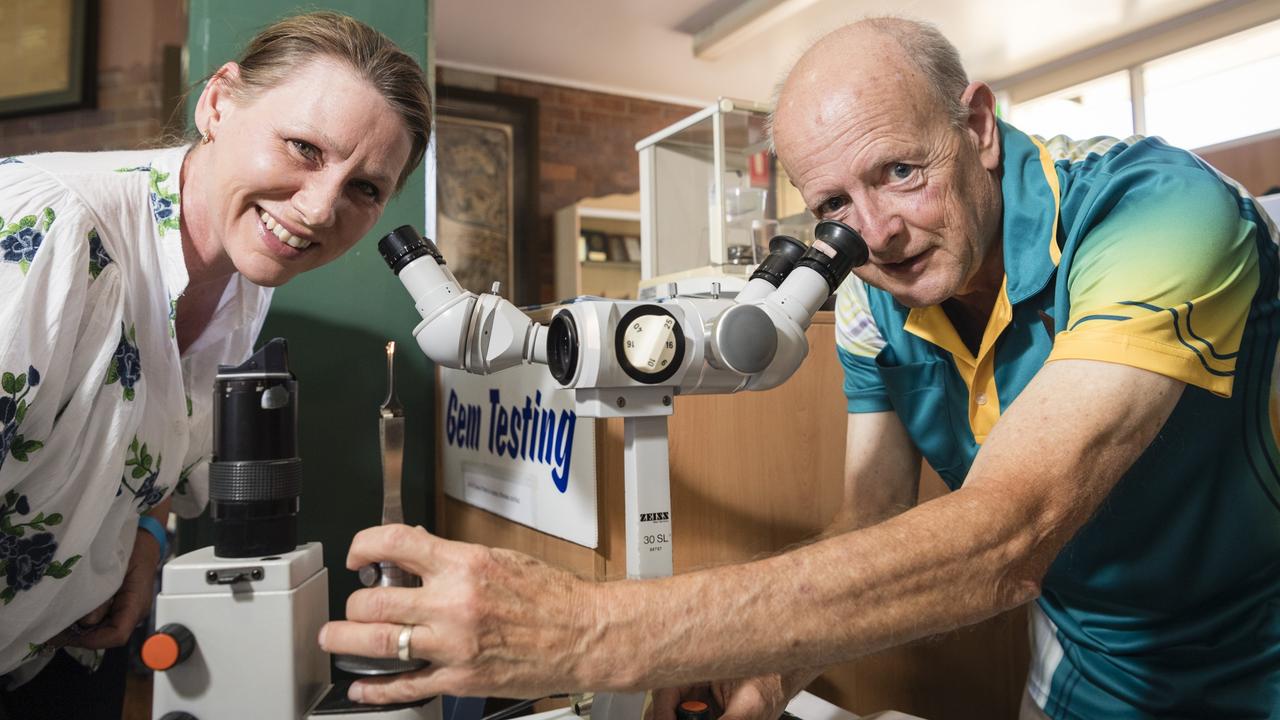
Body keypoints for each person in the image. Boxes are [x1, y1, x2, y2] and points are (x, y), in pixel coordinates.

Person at [317, 16, 1280, 720]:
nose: (879, 230)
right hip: (1084, 676)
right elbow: (871, 510)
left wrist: (589, 632)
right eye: (836, 203)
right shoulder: (870, 287)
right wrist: (775, 661)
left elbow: (1009, 533)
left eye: (902, 170)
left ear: (977, 125)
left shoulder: (1159, 212)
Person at [0, 11, 430, 718]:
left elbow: (151, 425)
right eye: (304, 147)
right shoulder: (47, 232)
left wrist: (147, 531)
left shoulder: (245, 274)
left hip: (65, 657)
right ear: (219, 103)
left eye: (365, 189)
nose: (321, 209)